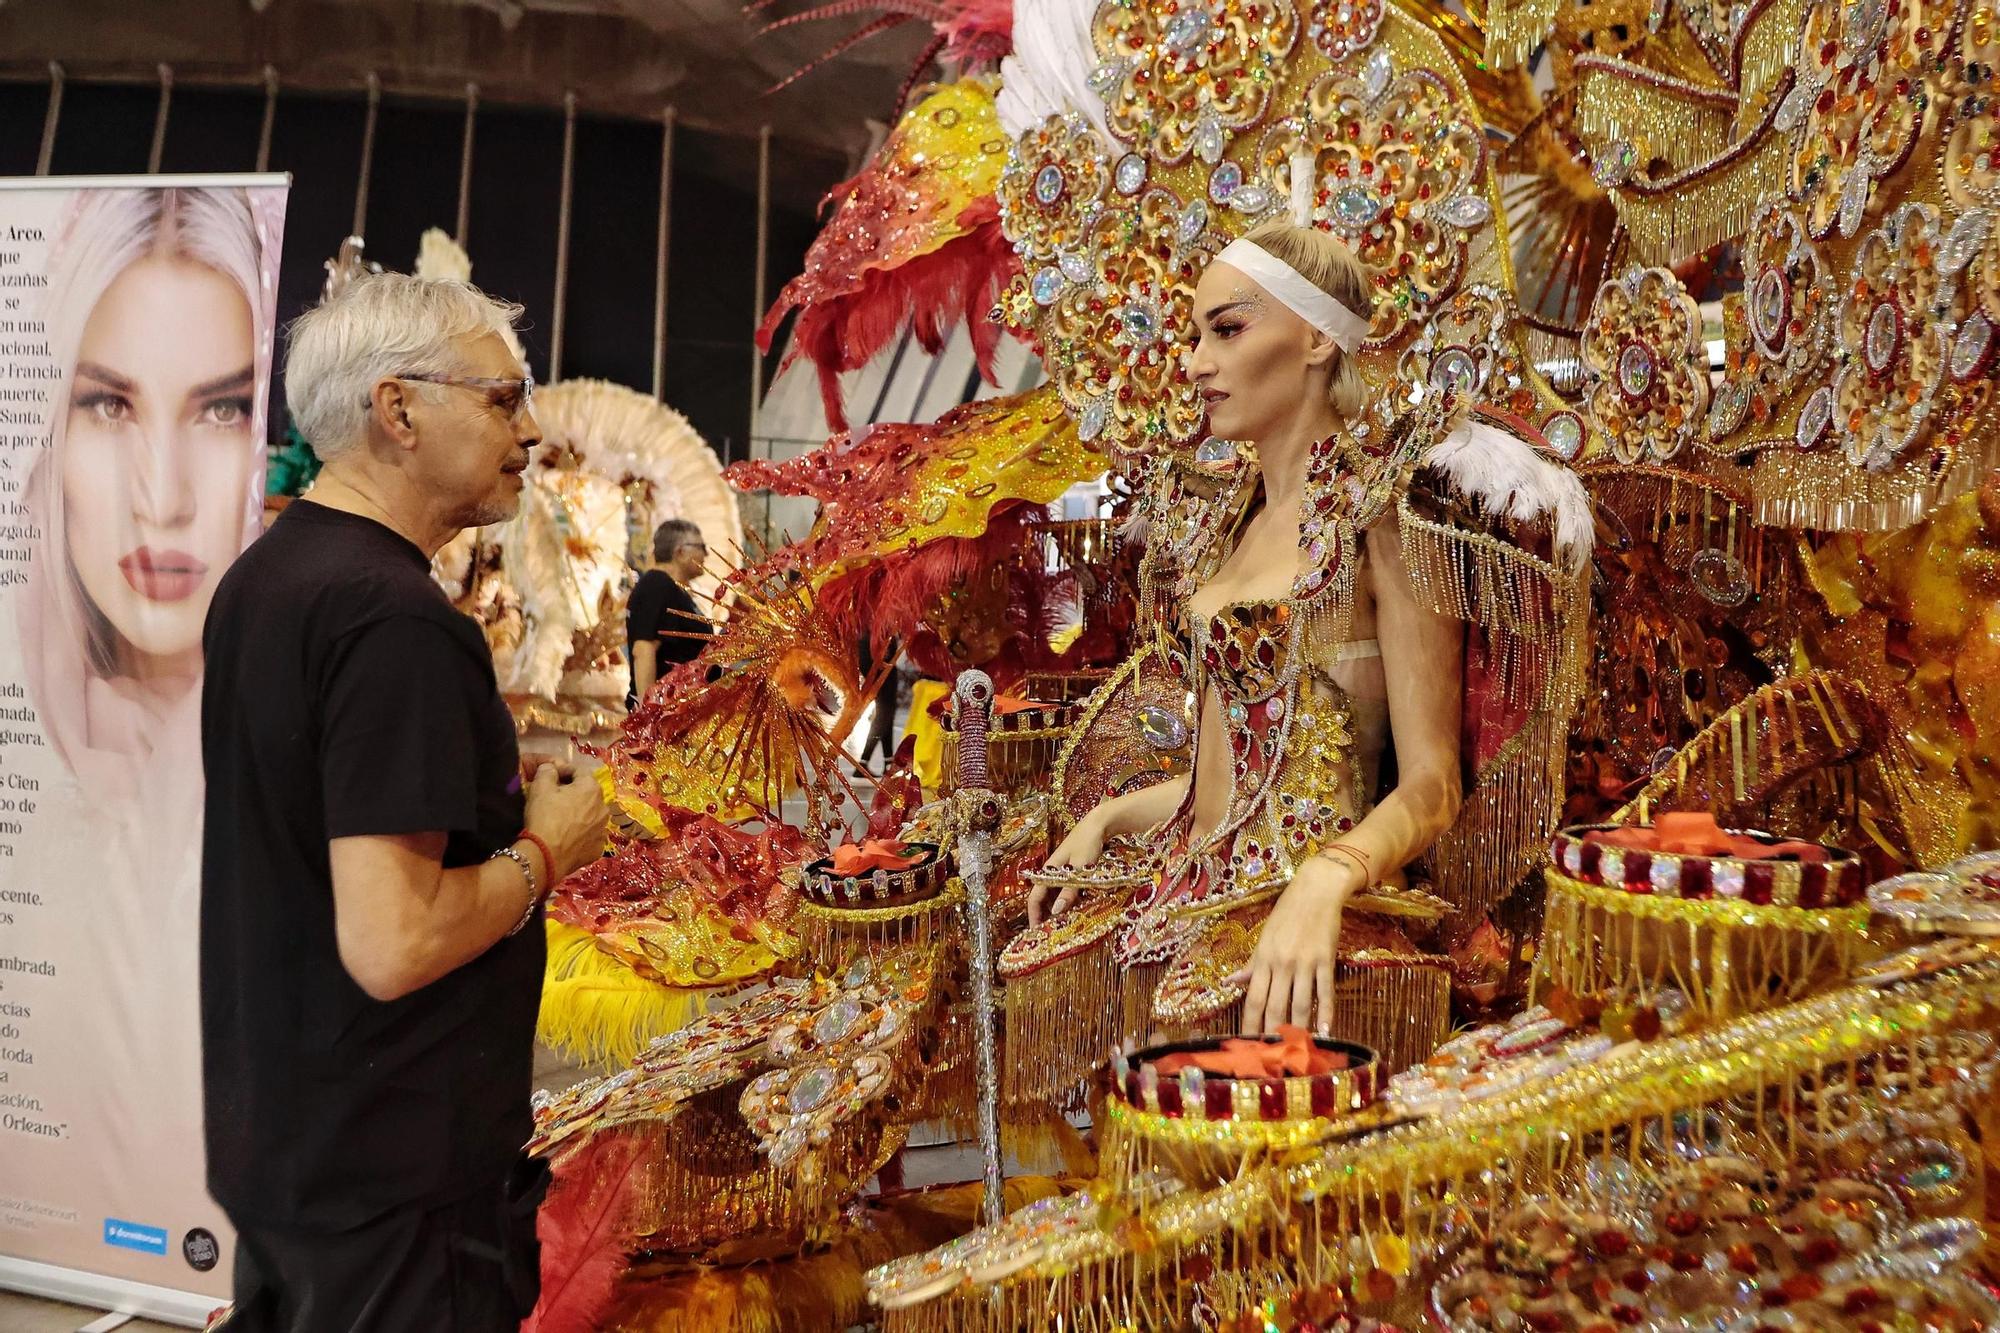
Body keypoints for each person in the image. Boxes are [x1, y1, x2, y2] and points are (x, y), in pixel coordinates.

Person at [1024, 218, 1581, 1041]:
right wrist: (1111, 817)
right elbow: (1236, 788)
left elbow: (1433, 783)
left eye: (1228, 329)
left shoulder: (1379, 521)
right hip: (1187, 898)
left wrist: (1327, 878)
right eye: (1193, 335)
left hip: (1306, 933)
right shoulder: (1227, 525)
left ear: (1317, 340)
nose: (1196, 362)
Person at [200, 273, 608, 1332]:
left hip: (296, 1139)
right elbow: (393, 937)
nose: (530, 431)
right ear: (398, 411)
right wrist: (547, 851)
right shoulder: (395, 620)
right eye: (504, 398)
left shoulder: (270, 578)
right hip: (397, 1182)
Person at [7, 184, 279, 1277]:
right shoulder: (32, 770)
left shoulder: (277, 758)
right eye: (109, 405)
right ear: (45, 436)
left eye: (220, 410)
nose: (161, 494)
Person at [626, 516, 713, 707]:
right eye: (701, 547)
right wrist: (649, 713)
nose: (706, 555)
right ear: (680, 552)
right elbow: (643, 649)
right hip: (667, 715)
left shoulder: (673, 589)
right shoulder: (656, 585)